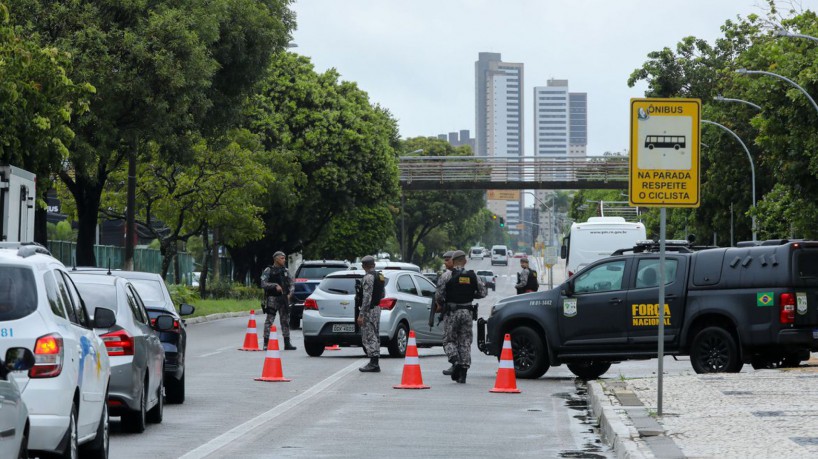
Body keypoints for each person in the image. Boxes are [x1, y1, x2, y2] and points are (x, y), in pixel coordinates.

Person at [435, 250, 486, 383]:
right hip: (467, 312)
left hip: (452, 312)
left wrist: (443, 303)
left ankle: (455, 361)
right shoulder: (473, 276)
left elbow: (439, 296)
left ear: (453, 260)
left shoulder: (447, 276)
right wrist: (469, 295)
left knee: (448, 340)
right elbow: (483, 292)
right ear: (464, 261)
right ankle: (463, 374)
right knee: (465, 342)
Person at [261, 251, 296, 350]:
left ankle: (287, 343)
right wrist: (274, 285)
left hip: (284, 298)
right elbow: (263, 284)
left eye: (284, 258)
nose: (284, 260)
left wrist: (290, 293)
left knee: (285, 320)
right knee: (269, 320)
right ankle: (266, 343)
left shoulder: (286, 270)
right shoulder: (268, 270)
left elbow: (292, 284)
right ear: (276, 259)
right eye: (282, 258)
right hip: (272, 298)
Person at [357, 255, 385, 372]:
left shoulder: (368, 277)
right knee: (375, 334)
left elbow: (367, 297)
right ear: (374, 264)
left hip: (369, 309)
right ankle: (374, 361)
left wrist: (361, 314)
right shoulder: (380, 275)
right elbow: (383, 294)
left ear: (364, 266)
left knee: (369, 335)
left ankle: (374, 362)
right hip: (377, 308)